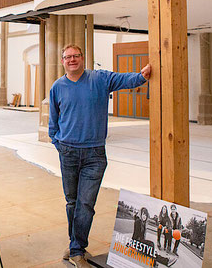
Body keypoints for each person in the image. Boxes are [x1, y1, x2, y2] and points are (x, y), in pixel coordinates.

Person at [49, 44, 151, 268]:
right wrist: (57, 142)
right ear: (63, 61)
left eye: (76, 56)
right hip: (67, 152)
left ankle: (76, 251)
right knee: (72, 202)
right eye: (68, 57)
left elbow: (126, 80)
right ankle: (76, 244)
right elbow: (53, 121)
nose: (72, 60)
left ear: (83, 58)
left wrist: (142, 76)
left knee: (85, 204)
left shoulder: (100, 79)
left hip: (94, 154)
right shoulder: (57, 87)